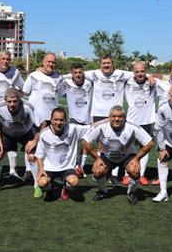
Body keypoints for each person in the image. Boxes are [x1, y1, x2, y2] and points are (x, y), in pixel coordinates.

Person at [83, 105, 154, 204]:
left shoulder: (132, 127)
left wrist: (137, 159)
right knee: (98, 171)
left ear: (124, 118)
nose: (116, 119)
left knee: (134, 171)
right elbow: (85, 142)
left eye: (120, 117)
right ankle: (103, 191)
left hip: (127, 156)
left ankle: (131, 193)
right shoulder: (102, 126)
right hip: (107, 156)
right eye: (114, 116)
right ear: (109, 117)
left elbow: (150, 143)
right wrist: (97, 158)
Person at [84, 55, 131, 186]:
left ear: (113, 64)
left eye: (108, 63)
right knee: (101, 145)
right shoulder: (94, 74)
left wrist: (151, 78)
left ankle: (114, 174)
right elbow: (76, 74)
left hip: (115, 114)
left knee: (118, 143)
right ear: (100, 64)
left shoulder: (121, 74)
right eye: (104, 63)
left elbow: (140, 74)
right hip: (98, 114)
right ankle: (101, 169)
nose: (106, 65)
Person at [0, 88, 42, 197]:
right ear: (5, 101)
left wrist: (34, 141)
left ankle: (37, 185)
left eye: (15, 101)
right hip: (8, 134)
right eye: (9, 101)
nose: (12, 104)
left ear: (19, 101)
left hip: (26, 133)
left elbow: (40, 124)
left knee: (32, 156)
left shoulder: (28, 107)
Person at [22, 52, 64, 181]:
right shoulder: (34, 75)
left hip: (51, 118)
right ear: (43, 62)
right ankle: (28, 169)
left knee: (49, 145)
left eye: (53, 62)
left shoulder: (59, 78)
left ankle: (49, 169)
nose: (51, 64)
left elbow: (62, 93)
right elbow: (25, 92)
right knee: (31, 144)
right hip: (34, 117)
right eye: (49, 61)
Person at [0, 50, 25, 180]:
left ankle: (12, 171)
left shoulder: (15, 72)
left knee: (12, 143)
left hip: (11, 114)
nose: (5, 61)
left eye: (8, 59)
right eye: (3, 59)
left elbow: (21, 89)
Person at [36, 107, 91, 201]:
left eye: (61, 120)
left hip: (67, 167)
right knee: (42, 183)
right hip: (49, 167)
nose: (58, 122)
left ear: (65, 121)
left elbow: (91, 126)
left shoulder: (73, 129)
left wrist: (109, 119)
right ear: (51, 119)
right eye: (55, 119)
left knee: (74, 182)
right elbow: (39, 154)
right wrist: (41, 170)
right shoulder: (44, 134)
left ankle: (65, 188)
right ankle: (50, 189)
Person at [124, 61, 156, 186]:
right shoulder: (128, 82)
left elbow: (168, 83)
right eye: (137, 71)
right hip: (131, 122)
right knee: (129, 149)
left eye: (142, 71)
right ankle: (127, 174)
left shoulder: (151, 83)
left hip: (147, 121)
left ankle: (141, 174)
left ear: (145, 71)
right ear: (133, 73)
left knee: (145, 149)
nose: (140, 73)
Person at [60, 62, 93, 178]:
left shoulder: (89, 83)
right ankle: (70, 166)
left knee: (86, 145)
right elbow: (59, 79)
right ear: (71, 73)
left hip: (88, 120)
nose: (78, 75)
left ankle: (81, 167)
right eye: (75, 72)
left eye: (80, 72)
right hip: (73, 120)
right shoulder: (67, 83)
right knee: (71, 145)